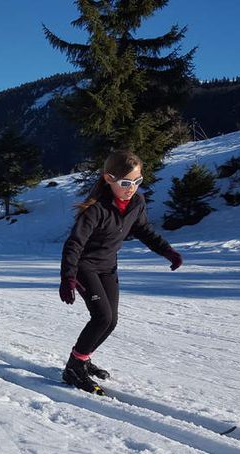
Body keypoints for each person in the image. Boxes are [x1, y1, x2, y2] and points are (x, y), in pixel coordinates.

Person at [59, 150, 183, 394]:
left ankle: (82, 359)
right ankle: (73, 368)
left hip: (108, 267)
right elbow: (74, 243)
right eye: (126, 183)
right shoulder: (95, 209)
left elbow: (144, 230)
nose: (132, 188)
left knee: (111, 321)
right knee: (102, 317)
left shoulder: (136, 203)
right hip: (85, 267)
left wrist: (167, 251)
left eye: (138, 181)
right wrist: (68, 278)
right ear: (108, 179)